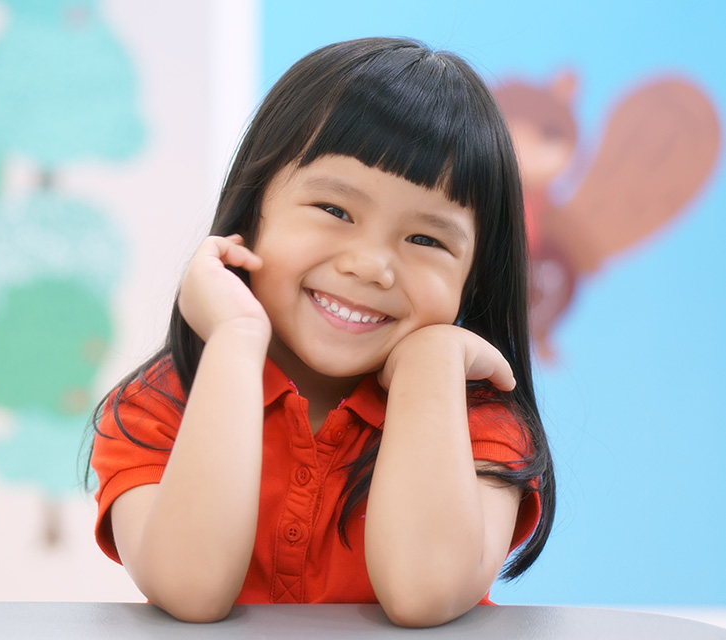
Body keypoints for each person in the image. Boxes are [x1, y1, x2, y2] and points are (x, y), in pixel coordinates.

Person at [86, 36, 555, 628]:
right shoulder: (160, 404)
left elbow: (425, 592)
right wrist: (234, 336)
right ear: (252, 208)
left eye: (427, 240)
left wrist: (427, 366)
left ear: (474, 278)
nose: (371, 265)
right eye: (335, 211)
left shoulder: (477, 424)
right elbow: (190, 587)